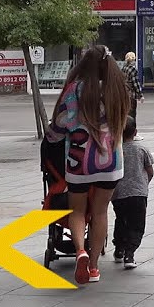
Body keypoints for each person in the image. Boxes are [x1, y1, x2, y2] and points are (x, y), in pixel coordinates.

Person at [45, 44, 131, 285]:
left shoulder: (74, 90)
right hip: (111, 161)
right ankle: (93, 267)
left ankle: (80, 250)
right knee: (101, 211)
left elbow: (60, 127)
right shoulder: (117, 90)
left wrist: (50, 137)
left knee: (78, 210)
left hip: (79, 161)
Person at [112, 116, 154, 269]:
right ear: (135, 132)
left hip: (118, 194)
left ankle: (119, 249)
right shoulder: (142, 149)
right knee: (137, 224)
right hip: (138, 193)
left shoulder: (114, 150)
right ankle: (130, 254)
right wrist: (144, 184)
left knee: (121, 220)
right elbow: (150, 171)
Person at [123, 51, 144, 118]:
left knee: (125, 113)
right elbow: (136, 84)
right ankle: (131, 127)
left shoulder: (123, 68)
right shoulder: (133, 70)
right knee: (132, 114)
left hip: (124, 93)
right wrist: (140, 95)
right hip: (131, 94)